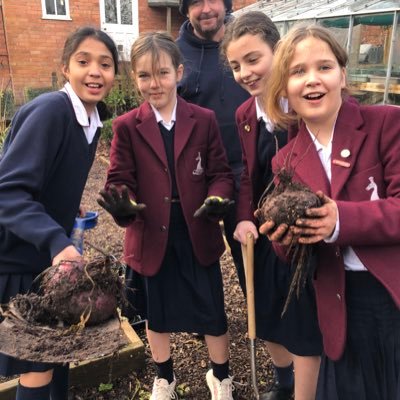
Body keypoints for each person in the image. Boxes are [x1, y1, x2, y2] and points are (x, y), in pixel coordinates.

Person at [262, 23, 400, 400]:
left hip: (390, 297)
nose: (312, 80)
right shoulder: (285, 160)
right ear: (284, 89)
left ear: (342, 74)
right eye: (297, 71)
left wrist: (341, 220)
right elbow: (298, 253)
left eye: (323, 67)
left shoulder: (385, 124)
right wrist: (283, 240)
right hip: (338, 301)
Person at [97, 32, 235, 400]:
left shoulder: (202, 119)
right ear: (134, 78)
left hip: (197, 228)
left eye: (161, 73)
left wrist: (218, 198)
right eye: (144, 76)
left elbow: (220, 172)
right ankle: (165, 379)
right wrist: (123, 203)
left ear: (179, 72)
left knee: (212, 310)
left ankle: (220, 377)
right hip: (150, 231)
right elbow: (119, 178)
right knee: (156, 313)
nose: (153, 84)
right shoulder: (127, 126)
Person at [0, 27, 117, 400]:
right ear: (65, 67)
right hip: (18, 259)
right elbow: (8, 191)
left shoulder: (91, 118)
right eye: (83, 62)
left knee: (61, 352)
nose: (94, 72)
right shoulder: (51, 111)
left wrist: (64, 207)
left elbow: (45, 177)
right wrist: (54, 238)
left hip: (44, 259)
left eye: (105, 64)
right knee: (37, 365)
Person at [220, 12, 322, 400]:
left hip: (305, 234)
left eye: (252, 59)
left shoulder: (302, 105)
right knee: (264, 314)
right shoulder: (245, 115)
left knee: (303, 322)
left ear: (278, 52)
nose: (244, 72)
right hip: (264, 235)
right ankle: (284, 383)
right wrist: (244, 218)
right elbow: (247, 174)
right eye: (235, 65)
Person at [176, 0, 250, 293]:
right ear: (185, 9)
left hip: (250, 169)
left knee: (250, 248)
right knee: (198, 251)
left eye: (213, 0)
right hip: (199, 175)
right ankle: (204, 318)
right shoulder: (176, 53)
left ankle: (261, 316)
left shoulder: (244, 41)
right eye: (195, 2)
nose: (205, 9)